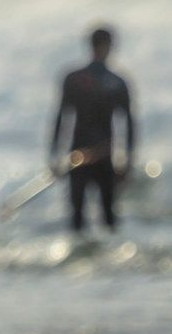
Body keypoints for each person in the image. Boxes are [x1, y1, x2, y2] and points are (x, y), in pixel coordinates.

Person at [48, 26, 137, 232]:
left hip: (76, 155)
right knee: (109, 219)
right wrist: (128, 161)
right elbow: (129, 124)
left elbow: (61, 118)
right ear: (109, 46)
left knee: (77, 219)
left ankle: (78, 261)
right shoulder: (117, 83)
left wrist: (55, 155)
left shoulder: (73, 79)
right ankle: (108, 261)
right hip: (105, 156)